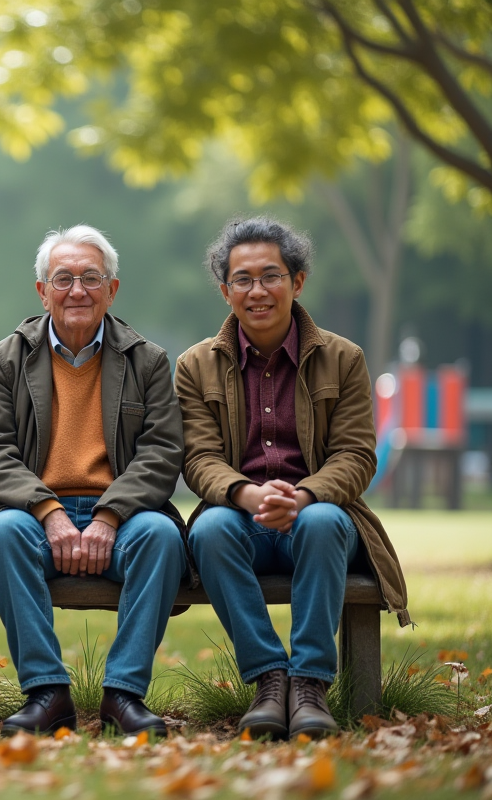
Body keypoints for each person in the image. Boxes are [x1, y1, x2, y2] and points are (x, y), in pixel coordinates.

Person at [175, 217, 410, 740]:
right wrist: (249, 494)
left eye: (271, 275)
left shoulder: (343, 359)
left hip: (320, 523)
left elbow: (355, 454)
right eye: (242, 279)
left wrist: (304, 495)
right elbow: (198, 459)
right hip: (241, 523)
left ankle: (309, 685)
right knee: (209, 530)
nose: (257, 291)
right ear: (225, 290)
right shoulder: (195, 366)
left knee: (324, 520)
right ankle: (268, 681)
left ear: (297, 281)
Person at [0, 225, 187, 737]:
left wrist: (110, 516)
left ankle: (124, 695)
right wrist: (49, 512)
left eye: (91, 277)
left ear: (112, 289)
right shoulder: (6, 359)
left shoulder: (147, 360)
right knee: (0, 536)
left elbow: (162, 451)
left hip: (125, 515)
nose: (77, 290)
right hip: (32, 514)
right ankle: (47, 694)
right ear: (42, 291)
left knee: (161, 537)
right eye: (62, 278)